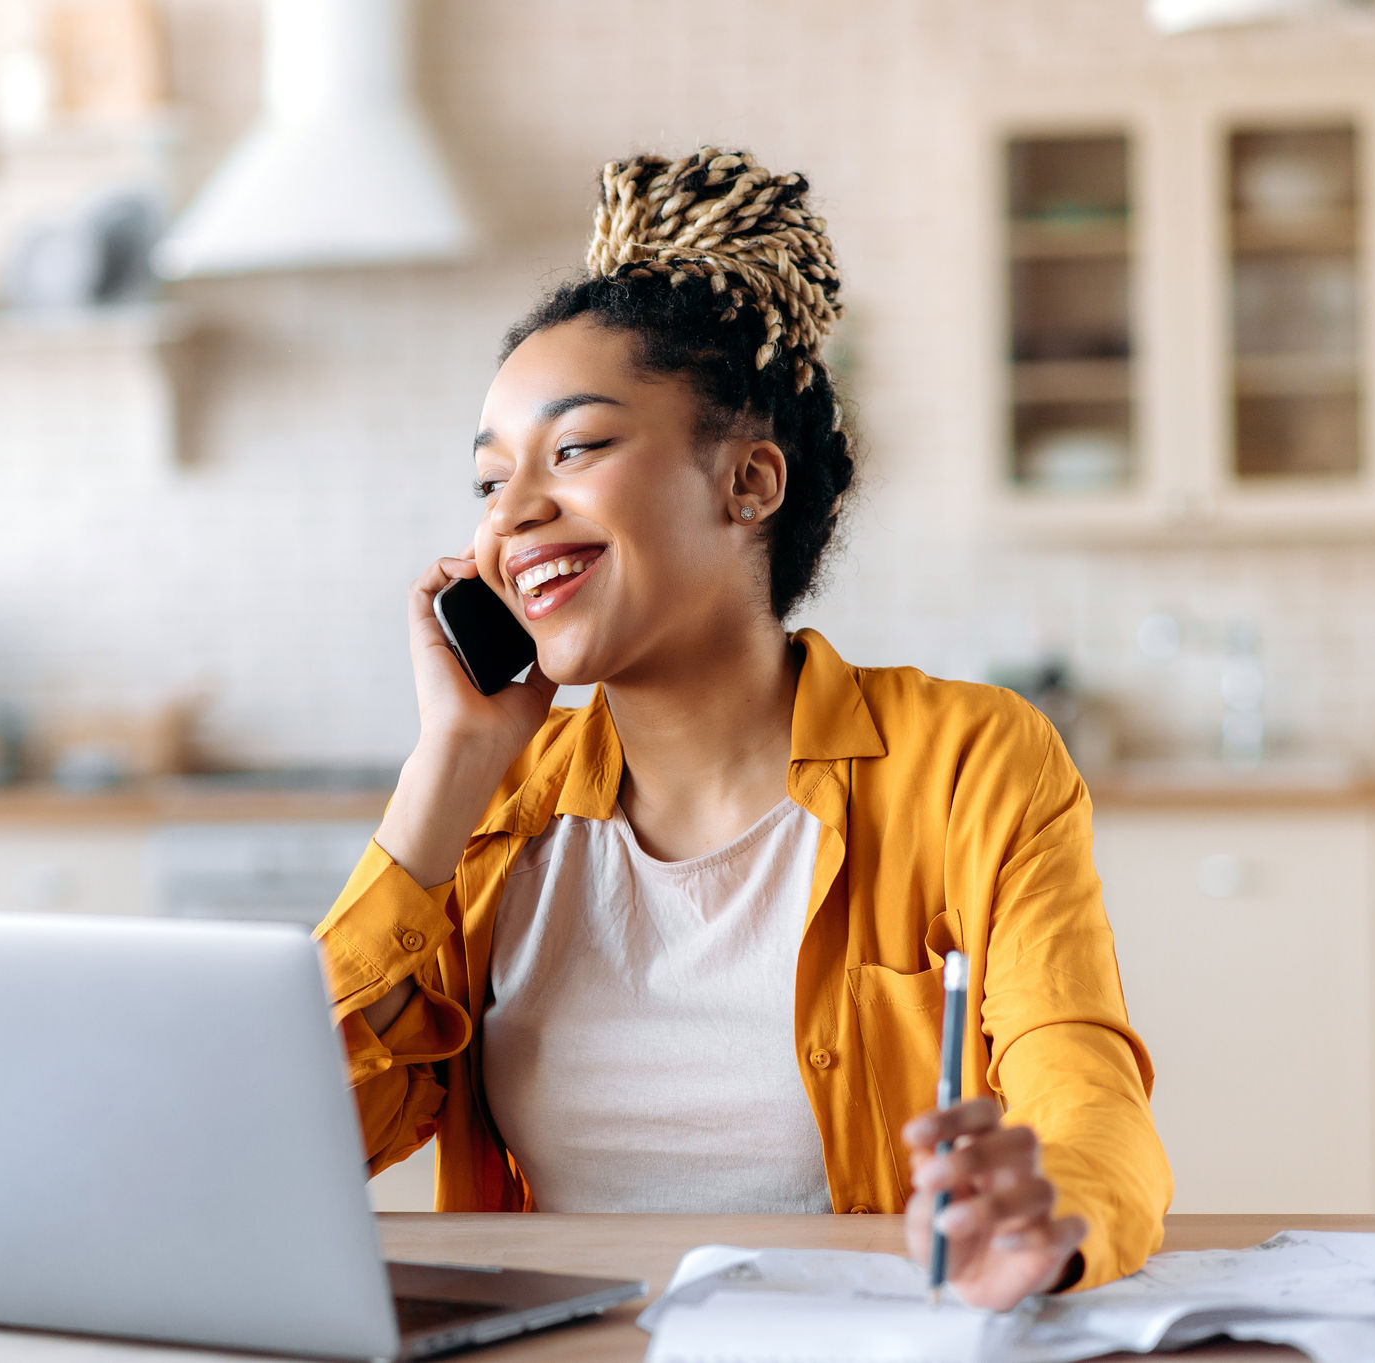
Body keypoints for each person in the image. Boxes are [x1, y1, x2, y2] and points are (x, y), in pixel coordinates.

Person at [316, 147, 1171, 1308]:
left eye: (573, 450)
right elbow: (306, 1144)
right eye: (486, 481)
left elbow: (1083, 1090)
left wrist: (1050, 1210)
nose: (511, 516)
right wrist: (446, 771)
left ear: (749, 483)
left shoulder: (970, 762)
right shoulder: (495, 809)